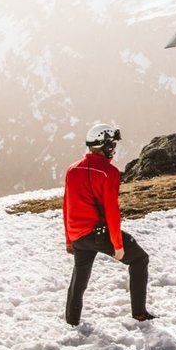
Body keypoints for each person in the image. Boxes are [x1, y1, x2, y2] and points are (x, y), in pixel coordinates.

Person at [63, 121, 156, 324]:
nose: (114, 149)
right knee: (139, 259)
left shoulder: (72, 170)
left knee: (79, 278)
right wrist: (118, 245)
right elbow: (111, 212)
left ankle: (71, 320)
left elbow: (66, 205)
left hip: (78, 236)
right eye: (112, 145)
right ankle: (139, 313)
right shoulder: (109, 172)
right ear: (105, 146)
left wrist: (69, 239)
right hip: (100, 234)